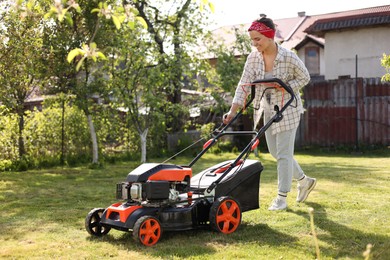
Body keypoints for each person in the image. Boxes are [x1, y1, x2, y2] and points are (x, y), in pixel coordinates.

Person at [223, 15, 316, 211]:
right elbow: (244, 84)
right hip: (267, 108)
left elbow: (305, 76)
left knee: (283, 153)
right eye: (252, 40)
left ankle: (281, 198)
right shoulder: (253, 58)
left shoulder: (288, 56)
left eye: (258, 39)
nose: (254, 43)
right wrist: (232, 110)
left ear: (269, 35)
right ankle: (304, 180)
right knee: (276, 152)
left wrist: (285, 87)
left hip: (288, 109)